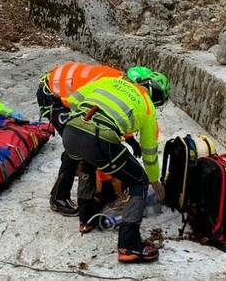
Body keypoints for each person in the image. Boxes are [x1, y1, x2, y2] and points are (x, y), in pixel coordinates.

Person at [59, 71, 171, 263]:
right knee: (138, 181)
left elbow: (72, 99)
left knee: (88, 163)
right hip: (99, 139)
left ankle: (86, 220)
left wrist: (93, 114)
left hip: (70, 132)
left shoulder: (110, 82)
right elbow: (149, 152)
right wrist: (154, 180)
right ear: (157, 97)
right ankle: (129, 246)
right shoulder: (147, 107)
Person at [36, 63, 151, 216]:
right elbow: (77, 107)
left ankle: (94, 189)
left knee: (86, 141)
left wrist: (129, 139)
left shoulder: (119, 81)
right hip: (54, 97)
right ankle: (59, 197)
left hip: (67, 94)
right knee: (76, 146)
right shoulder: (105, 81)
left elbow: (108, 112)